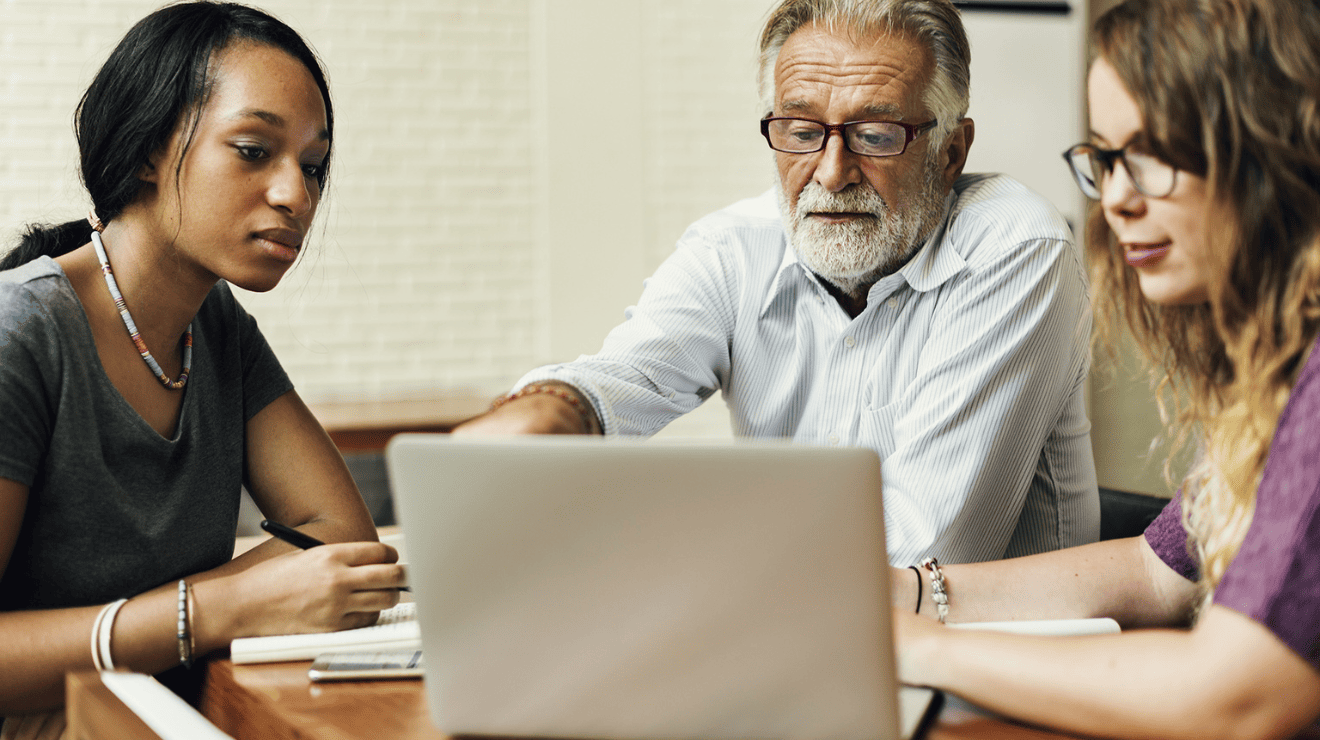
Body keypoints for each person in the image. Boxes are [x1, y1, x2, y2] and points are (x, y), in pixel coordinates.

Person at [455, 0, 1098, 566]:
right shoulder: (734, 247)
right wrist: (556, 409)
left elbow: (921, 547)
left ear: (951, 151)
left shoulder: (1015, 246)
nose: (831, 171)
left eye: (875, 134)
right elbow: (626, 377)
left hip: (1001, 675)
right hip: (794, 638)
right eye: (801, 131)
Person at [891, 0, 1320, 736]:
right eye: (1108, 159)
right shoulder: (1277, 362)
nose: (1117, 198)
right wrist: (909, 593)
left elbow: (1237, 698)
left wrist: (919, 649)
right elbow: (1160, 573)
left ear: (1271, 151)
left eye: (1152, 157)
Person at [0, 4, 405, 736]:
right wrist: (219, 610)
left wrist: (188, 618)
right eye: (254, 150)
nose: (296, 196)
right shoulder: (19, 333)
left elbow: (340, 538)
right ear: (150, 148)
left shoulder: (215, 330)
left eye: (312, 166)